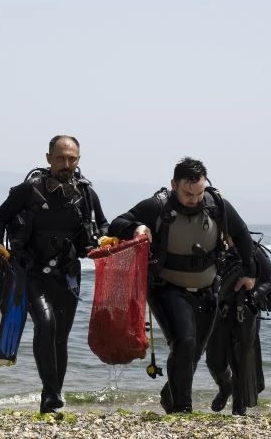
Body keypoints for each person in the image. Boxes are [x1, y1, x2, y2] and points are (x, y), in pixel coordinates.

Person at [108, 157, 256, 414]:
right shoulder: (157, 206)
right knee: (184, 342)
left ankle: (171, 396)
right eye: (188, 193)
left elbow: (243, 236)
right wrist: (137, 227)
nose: (194, 199)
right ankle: (183, 409)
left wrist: (250, 273)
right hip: (167, 288)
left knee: (194, 353)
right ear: (174, 184)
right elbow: (116, 224)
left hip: (209, 289)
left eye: (199, 193)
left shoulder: (217, 204)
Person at [0, 135, 109, 413]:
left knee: (61, 336)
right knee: (45, 325)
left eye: (72, 159)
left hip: (68, 274)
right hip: (31, 273)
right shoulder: (29, 190)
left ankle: (51, 395)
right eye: (60, 158)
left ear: (78, 160)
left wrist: (104, 240)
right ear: (48, 158)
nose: (66, 164)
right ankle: (52, 393)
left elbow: (103, 225)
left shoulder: (86, 194)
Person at [206, 241, 271, 415]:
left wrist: (252, 297)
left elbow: (269, 281)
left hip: (247, 313)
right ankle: (225, 387)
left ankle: (239, 405)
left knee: (241, 360)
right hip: (219, 312)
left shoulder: (254, 251)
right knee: (214, 361)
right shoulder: (213, 248)